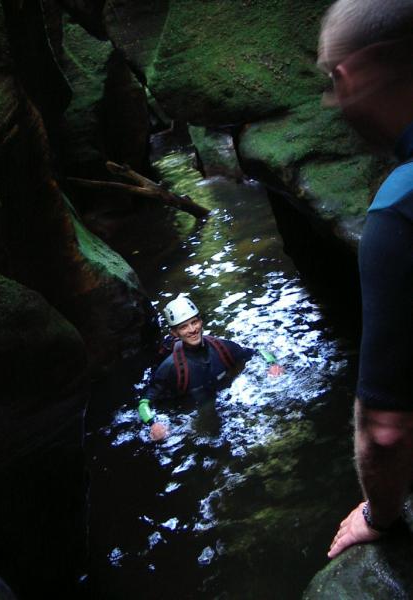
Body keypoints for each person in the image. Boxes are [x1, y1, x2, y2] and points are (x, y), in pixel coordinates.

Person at [317, 0, 413, 559]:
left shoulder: (400, 210)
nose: (333, 100)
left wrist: (381, 515)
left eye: (333, 80)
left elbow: (386, 431)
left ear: (360, 70)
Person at [138, 294, 284, 441]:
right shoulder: (170, 367)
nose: (192, 330)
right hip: (190, 410)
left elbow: (258, 352)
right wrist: (153, 424)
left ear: (201, 322)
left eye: (194, 322)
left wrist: (273, 365)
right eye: (184, 327)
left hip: (225, 402)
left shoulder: (222, 348)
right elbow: (144, 403)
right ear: (175, 333)